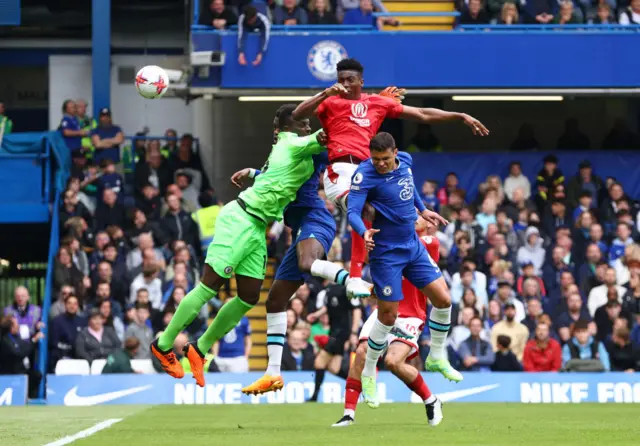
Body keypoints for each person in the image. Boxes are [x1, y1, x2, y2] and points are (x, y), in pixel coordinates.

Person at [151, 105, 327, 388]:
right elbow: (327, 134)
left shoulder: (292, 149)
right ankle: (163, 344)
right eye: (303, 123)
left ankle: (199, 348)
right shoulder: (292, 143)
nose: (307, 128)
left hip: (258, 227)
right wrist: (354, 104)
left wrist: (254, 173)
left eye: (309, 124)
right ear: (287, 129)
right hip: (241, 218)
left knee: (248, 296)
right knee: (210, 285)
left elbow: (275, 178)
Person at [292, 58, 488, 300]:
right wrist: (325, 93)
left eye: (350, 80)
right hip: (340, 173)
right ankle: (354, 277)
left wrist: (459, 116)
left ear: (361, 82)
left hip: (370, 172)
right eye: (340, 80)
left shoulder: (376, 102)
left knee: (397, 214)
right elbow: (297, 114)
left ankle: (393, 269)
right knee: (364, 208)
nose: (344, 84)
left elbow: (422, 114)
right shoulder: (329, 102)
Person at [346, 132, 461, 408]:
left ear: (395, 152)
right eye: (376, 159)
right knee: (387, 316)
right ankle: (369, 373)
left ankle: (435, 355)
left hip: (412, 246)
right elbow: (352, 212)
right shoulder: (364, 175)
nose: (381, 164)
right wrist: (364, 232)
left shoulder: (406, 162)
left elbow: (410, 189)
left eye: (385, 159)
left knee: (444, 300)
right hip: (386, 252)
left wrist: (423, 210)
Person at [333, 222, 443, 427]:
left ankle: (431, 400)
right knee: (362, 352)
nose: (411, 217)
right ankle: (348, 414)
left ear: (429, 224)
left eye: (417, 215)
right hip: (384, 310)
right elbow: (374, 264)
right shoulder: (391, 241)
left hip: (410, 313)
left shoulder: (430, 243)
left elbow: (410, 266)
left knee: (393, 362)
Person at [305, 281, 362, 402]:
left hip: (341, 334)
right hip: (334, 332)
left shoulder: (346, 290)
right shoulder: (329, 291)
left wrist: (354, 332)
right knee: (333, 368)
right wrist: (316, 315)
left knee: (319, 363)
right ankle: (360, 385)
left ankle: (314, 396)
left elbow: (356, 310)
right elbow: (328, 307)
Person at [0, 316, 44, 398]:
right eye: (16, 324)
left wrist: (34, 337)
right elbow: (19, 353)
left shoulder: (16, 337)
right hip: (10, 374)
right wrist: (33, 341)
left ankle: (28, 397)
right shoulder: (4, 341)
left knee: (37, 375)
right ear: (11, 327)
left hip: (21, 371)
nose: (18, 326)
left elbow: (25, 346)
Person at [214, 299, 252, 373]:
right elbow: (216, 340)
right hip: (221, 358)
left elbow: (248, 340)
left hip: (238, 358)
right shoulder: (219, 320)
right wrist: (216, 357)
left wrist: (245, 357)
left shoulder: (243, 319)